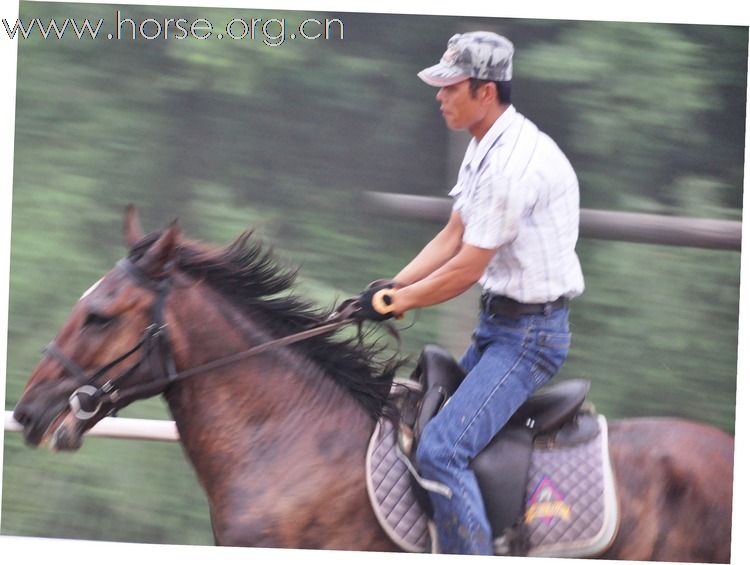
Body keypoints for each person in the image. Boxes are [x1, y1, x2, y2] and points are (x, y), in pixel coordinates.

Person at [355, 31, 585, 555]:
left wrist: (401, 302)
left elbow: (466, 267)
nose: (438, 95)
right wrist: (392, 285)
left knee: (440, 451)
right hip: (498, 326)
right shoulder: (484, 143)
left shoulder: (512, 165)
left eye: (449, 86)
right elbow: (451, 235)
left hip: (528, 338)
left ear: (486, 91)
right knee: (426, 428)